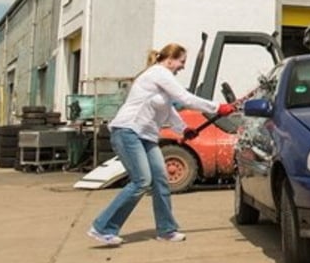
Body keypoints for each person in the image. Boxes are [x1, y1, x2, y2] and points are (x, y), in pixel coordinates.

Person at [87, 43, 236, 247]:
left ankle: (166, 230)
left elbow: (168, 110)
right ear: (170, 59)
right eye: (181, 62)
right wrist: (217, 107)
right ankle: (102, 227)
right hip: (127, 132)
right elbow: (185, 98)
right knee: (141, 181)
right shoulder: (158, 72)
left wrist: (183, 129)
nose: (182, 67)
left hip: (146, 137)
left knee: (161, 180)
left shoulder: (163, 82)